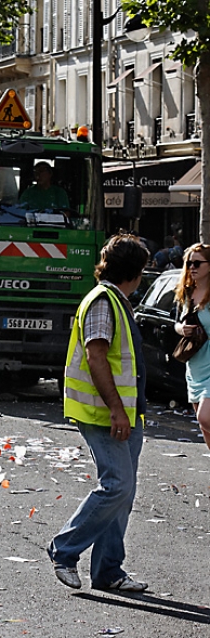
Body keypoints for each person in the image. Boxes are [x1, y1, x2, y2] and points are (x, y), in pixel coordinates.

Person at [47, 233, 149, 592]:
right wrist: (118, 410)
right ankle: (64, 549)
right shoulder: (104, 302)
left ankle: (108, 571)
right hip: (103, 413)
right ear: (135, 273)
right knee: (117, 486)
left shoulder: (117, 302)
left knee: (124, 493)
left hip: (124, 413)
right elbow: (96, 357)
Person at [174, 243, 210, 449]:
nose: (191, 268)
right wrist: (182, 330)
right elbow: (177, 323)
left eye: (197, 263)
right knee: (204, 426)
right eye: (188, 263)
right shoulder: (188, 293)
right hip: (195, 364)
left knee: (206, 418)